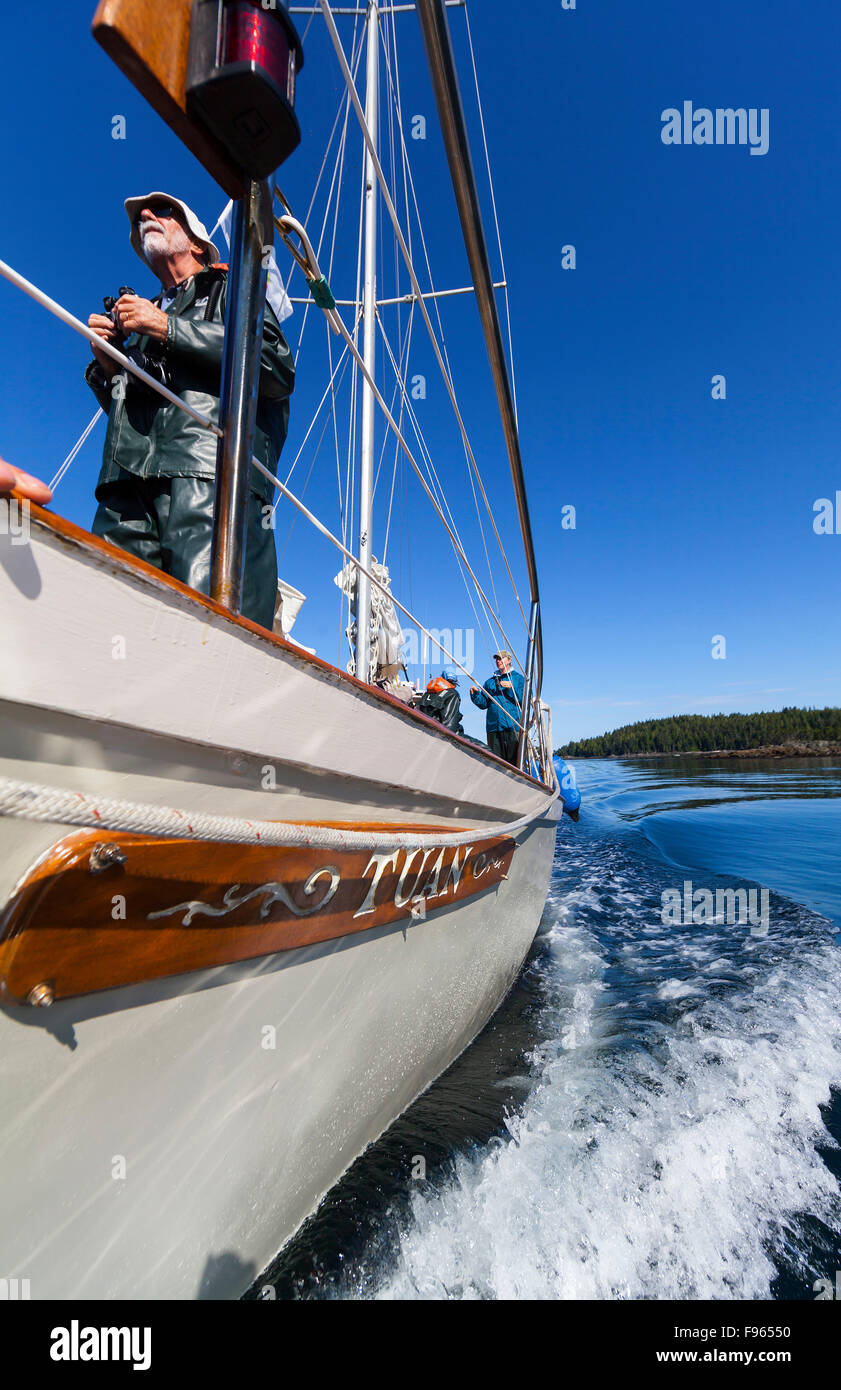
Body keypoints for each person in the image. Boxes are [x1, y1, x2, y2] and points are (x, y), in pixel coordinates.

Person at [85, 192, 294, 630]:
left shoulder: (234, 289)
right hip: (126, 488)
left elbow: (274, 368)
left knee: (205, 632)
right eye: (143, 216)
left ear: (198, 243)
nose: (145, 216)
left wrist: (168, 328)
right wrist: (110, 368)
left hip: (210, 482)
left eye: (162, 211)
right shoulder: (142, 316)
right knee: (109, 624)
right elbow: (133, 414)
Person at [469, 649, 525, 765]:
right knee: (496, 764)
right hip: (493, 728)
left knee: (515, 764)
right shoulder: (490, 682)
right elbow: (484, 704)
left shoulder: (519, 679)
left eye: (501, 658)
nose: (498, 661)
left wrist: (511, 689)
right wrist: (475, 695)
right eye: (497, 659)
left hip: (512, 727)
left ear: (509, 660)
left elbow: (524, 701)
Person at [418, 667, 464, 734]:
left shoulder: (427, 693)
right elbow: (449, 724)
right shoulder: (452, 694)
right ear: (455, 683)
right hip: (438, 733)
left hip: (423, 728)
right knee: (479, 744)